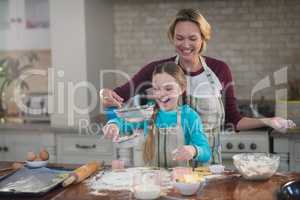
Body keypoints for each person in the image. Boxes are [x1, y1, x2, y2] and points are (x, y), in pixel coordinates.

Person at [100, 8, 296, 164]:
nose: (186, 44)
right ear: (172, 38)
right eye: (179, 38)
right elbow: (117, 97)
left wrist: (267, 121)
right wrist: (104, 95)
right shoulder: (158, 70)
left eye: (192, 38)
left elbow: (234, 120)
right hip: (168, 167)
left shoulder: (219, 70)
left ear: (203, 39)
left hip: (208, 165)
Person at [102, 62, 211, 167]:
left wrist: (194, 150)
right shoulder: (148, 114)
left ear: (181, 89)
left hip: (178, 181)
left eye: (168, 88)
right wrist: (113, 125)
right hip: (151, 182)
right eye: (156, 89)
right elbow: (123, 122)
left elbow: (206, 152)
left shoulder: (189, 116)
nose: (161, 94)